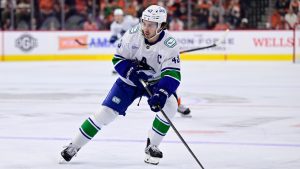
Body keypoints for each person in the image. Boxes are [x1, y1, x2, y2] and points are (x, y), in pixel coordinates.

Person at [60, 5, 183, 165]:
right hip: (129, 83)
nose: (146, 28)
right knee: (106, 113)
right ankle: (74, 146)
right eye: (144, 23)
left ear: (161, 26)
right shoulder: (132, 35)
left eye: (151, 25)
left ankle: (152, 146)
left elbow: (172, 74)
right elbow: (118, 59)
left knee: (171, 105)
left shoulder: (170, 45)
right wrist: (130, 72)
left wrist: (162, 92)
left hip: (154, 82)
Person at [109, 8, 191, 116]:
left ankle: (177, 104)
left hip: (147, 50)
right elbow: (119, 45)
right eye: (116, 16)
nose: (117, 17)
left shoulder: (130, 21)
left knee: (167, 84)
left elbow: (147, 27)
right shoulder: (114, 26)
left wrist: (164, 52)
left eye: (119, 15)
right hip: (134, 51)